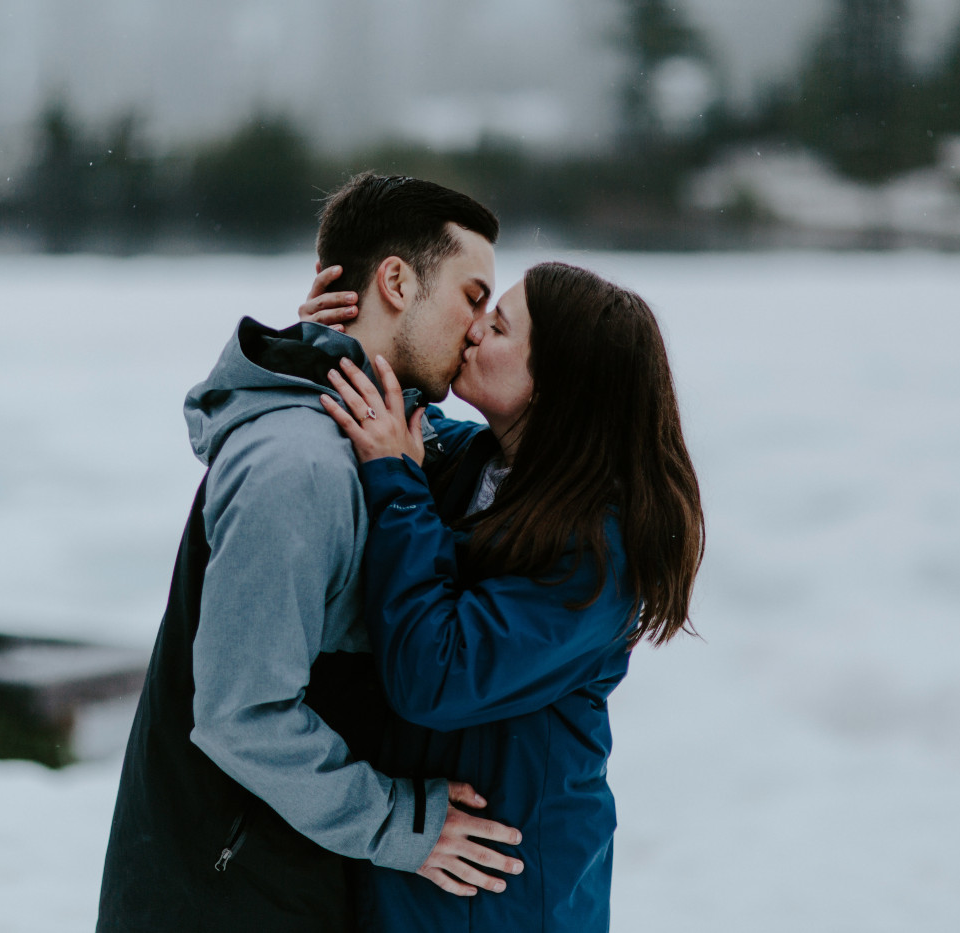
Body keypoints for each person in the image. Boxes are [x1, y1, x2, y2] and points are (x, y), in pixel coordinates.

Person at [96, 173, 526, 933]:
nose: (479, 326)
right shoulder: (299, 464)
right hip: (222, 899)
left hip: (270, 882)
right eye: (472, 294)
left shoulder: (368, 438)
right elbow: (242, 714)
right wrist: (401, 821)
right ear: (396, 280)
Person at [309, 262, 706, 931]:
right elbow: (396, 416)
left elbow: (434, 674)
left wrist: (397, 482)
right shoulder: (477, 464)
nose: (471, 330)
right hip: (427, 879)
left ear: (555, 386)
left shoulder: (598, 557)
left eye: (498, 326)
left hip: (508, 897)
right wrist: (344, 340)